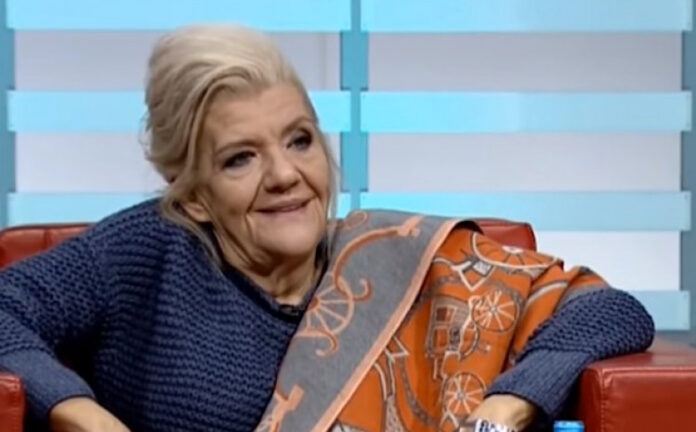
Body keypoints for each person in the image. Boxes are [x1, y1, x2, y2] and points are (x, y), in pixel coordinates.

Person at [0, 25, 654, 432]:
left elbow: (608, 312)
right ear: (194, 195)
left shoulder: (402, 264)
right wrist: (78, 413)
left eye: (299, 140)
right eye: (240, 158)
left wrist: (507, 407)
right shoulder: (151, 251)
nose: (286, 175)